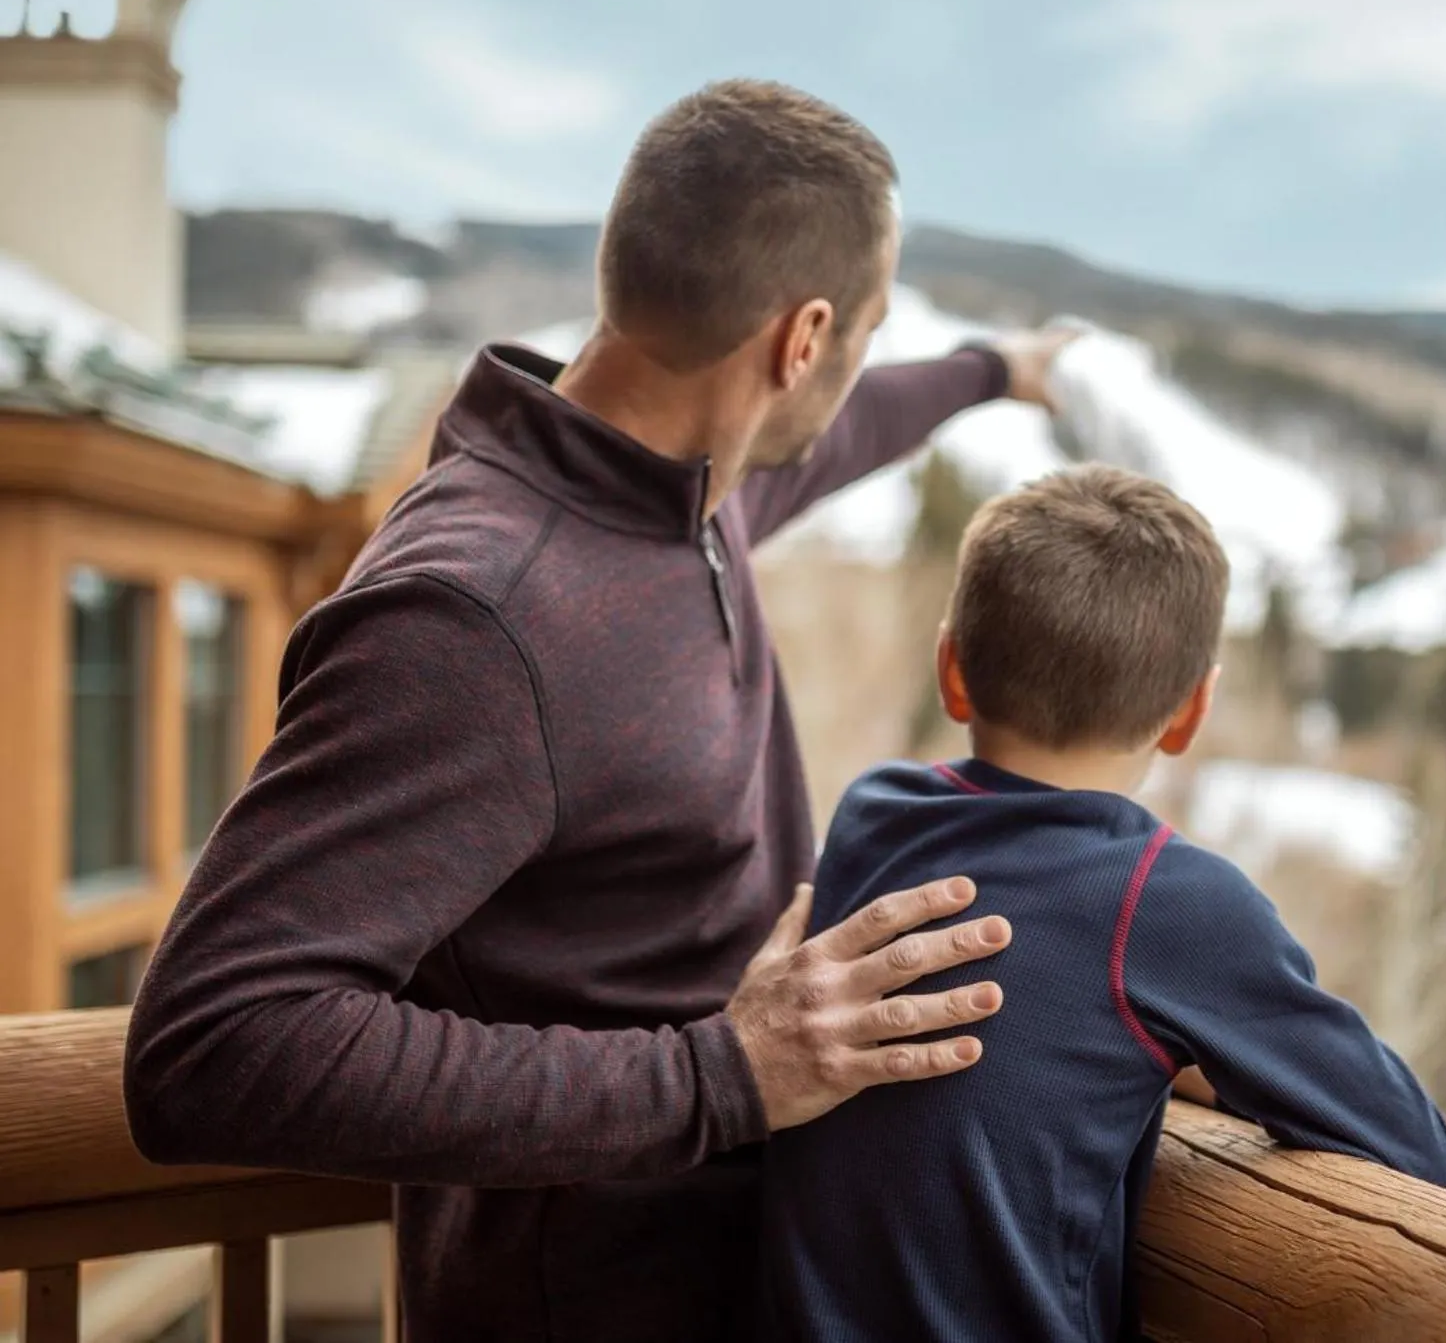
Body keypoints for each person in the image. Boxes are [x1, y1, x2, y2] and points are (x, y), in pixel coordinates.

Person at [122, 79, 1078, 1342]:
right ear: (801, 341)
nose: (850, 377)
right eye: (862, 335)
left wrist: (993, 373)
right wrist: (724, 1073)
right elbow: (213, 1046)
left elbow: (841, 435)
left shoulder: (689, 491)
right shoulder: (480, 615)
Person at [758, 465, 1446, 1343]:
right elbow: (1409, 1139)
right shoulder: (1168, 901)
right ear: (1191, 711)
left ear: (950, 668)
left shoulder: (878, 809)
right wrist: (1198, 1051)